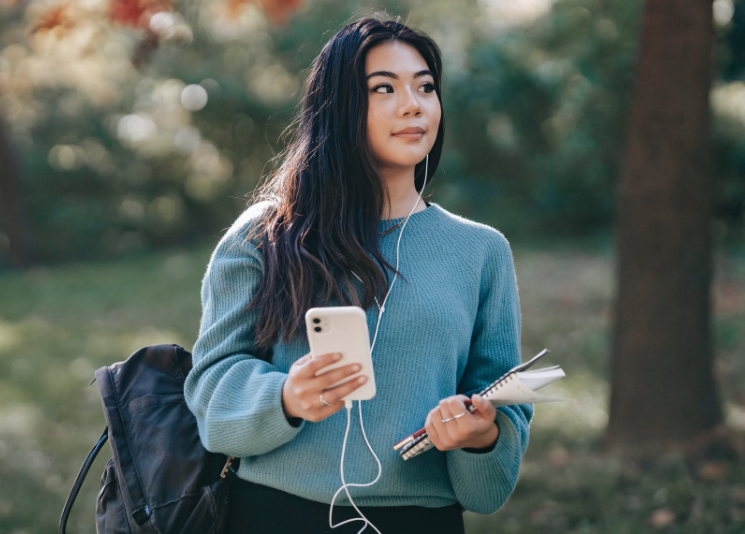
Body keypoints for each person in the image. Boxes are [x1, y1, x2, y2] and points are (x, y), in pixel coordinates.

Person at [184, 16, 533, 534]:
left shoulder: (481, 251)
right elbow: (210, 391)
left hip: (422, 521)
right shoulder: (266, 235)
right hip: (273, 515)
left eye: (426, 86)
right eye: (383, 88)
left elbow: (498, 452)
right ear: (340, 108)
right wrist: (284, 397)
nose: (413, 104)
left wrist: (481, 436)